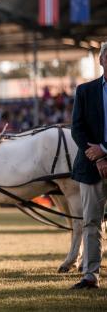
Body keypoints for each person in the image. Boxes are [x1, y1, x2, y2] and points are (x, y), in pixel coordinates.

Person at [70, 41, 107, 290]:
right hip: (91, 167)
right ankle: (90, 274)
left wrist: (104, 149)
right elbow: (77, 128)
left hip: (100, 156)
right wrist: (99, 156)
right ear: (101, 60)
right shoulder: (85, 90)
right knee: (91, 222)